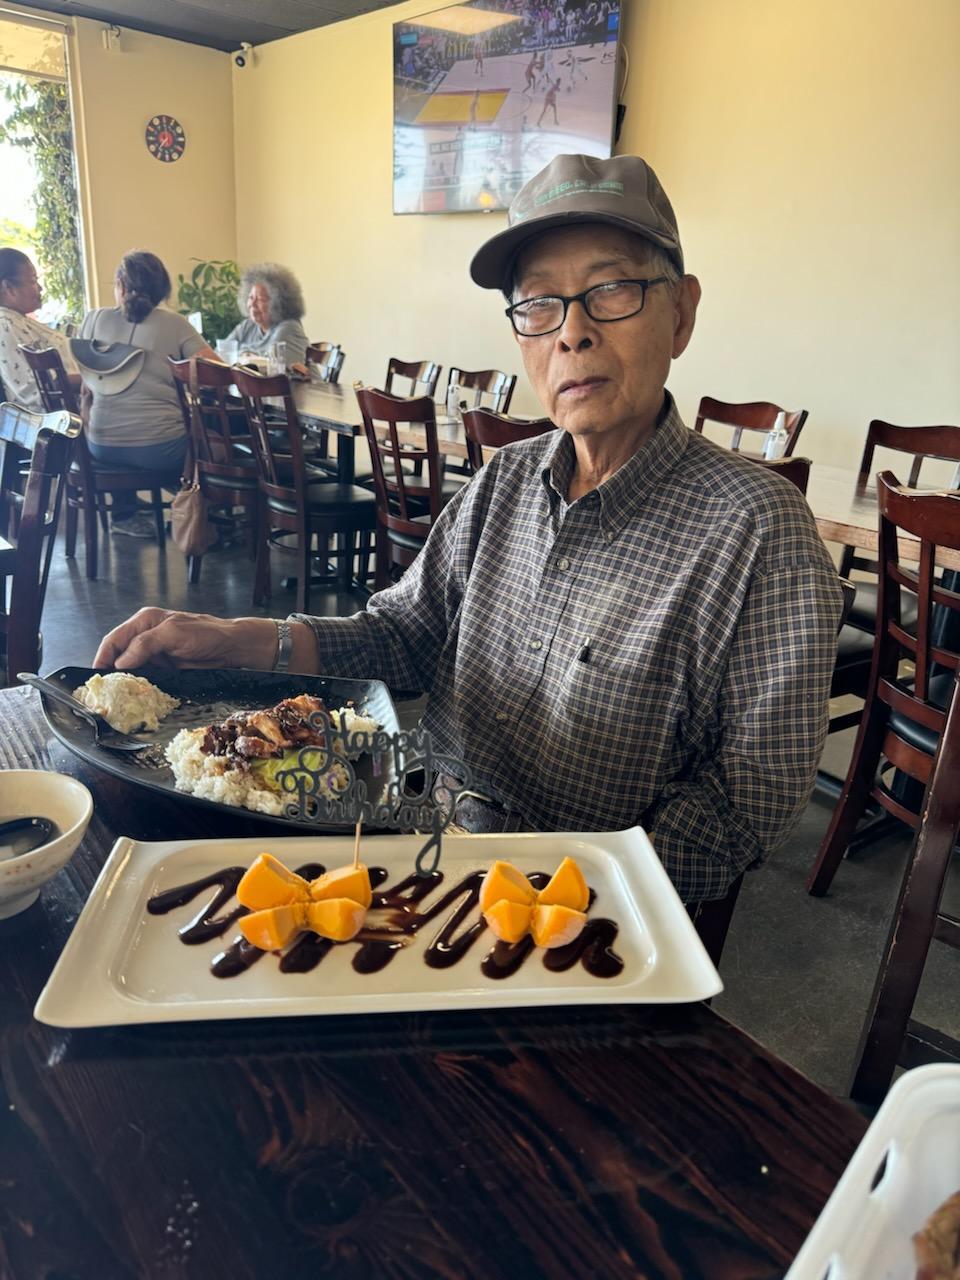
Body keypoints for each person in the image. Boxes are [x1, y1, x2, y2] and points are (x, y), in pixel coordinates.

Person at [95, 153, 842, 904]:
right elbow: (398, 637)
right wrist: (231, 639)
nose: (571, 334)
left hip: (581, 914)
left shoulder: (758, 532)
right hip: (420, 846)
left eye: (611, 290)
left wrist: (545, 901)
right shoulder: (504, 482)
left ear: (680, 312)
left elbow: (751, 800)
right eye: (540, 304)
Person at [78, 250, 217, 537]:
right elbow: (216, 373)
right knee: (217, 450)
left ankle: (127, 514)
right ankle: (205, 527)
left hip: (100, 446)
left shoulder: (93, 319)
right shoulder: (175, 324)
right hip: (160, 451)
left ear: (120, 285)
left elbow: (84, 388)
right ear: (162, 289)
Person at [0, 248, 79, 412]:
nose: (40, 288)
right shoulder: (5, 325)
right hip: (59, 424)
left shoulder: (17, 320)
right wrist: (92, 382)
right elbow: (35, 391)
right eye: (33, 281)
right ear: (9, 287)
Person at [224, 263, 309, 371]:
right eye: (250, 297)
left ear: (278, 303)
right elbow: (223, 351)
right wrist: (245, 354)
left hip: (302, 387)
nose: (252, 304)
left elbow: (271, 364)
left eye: (260, 299)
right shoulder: (247, 325)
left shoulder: (289, 327)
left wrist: (243, 355)